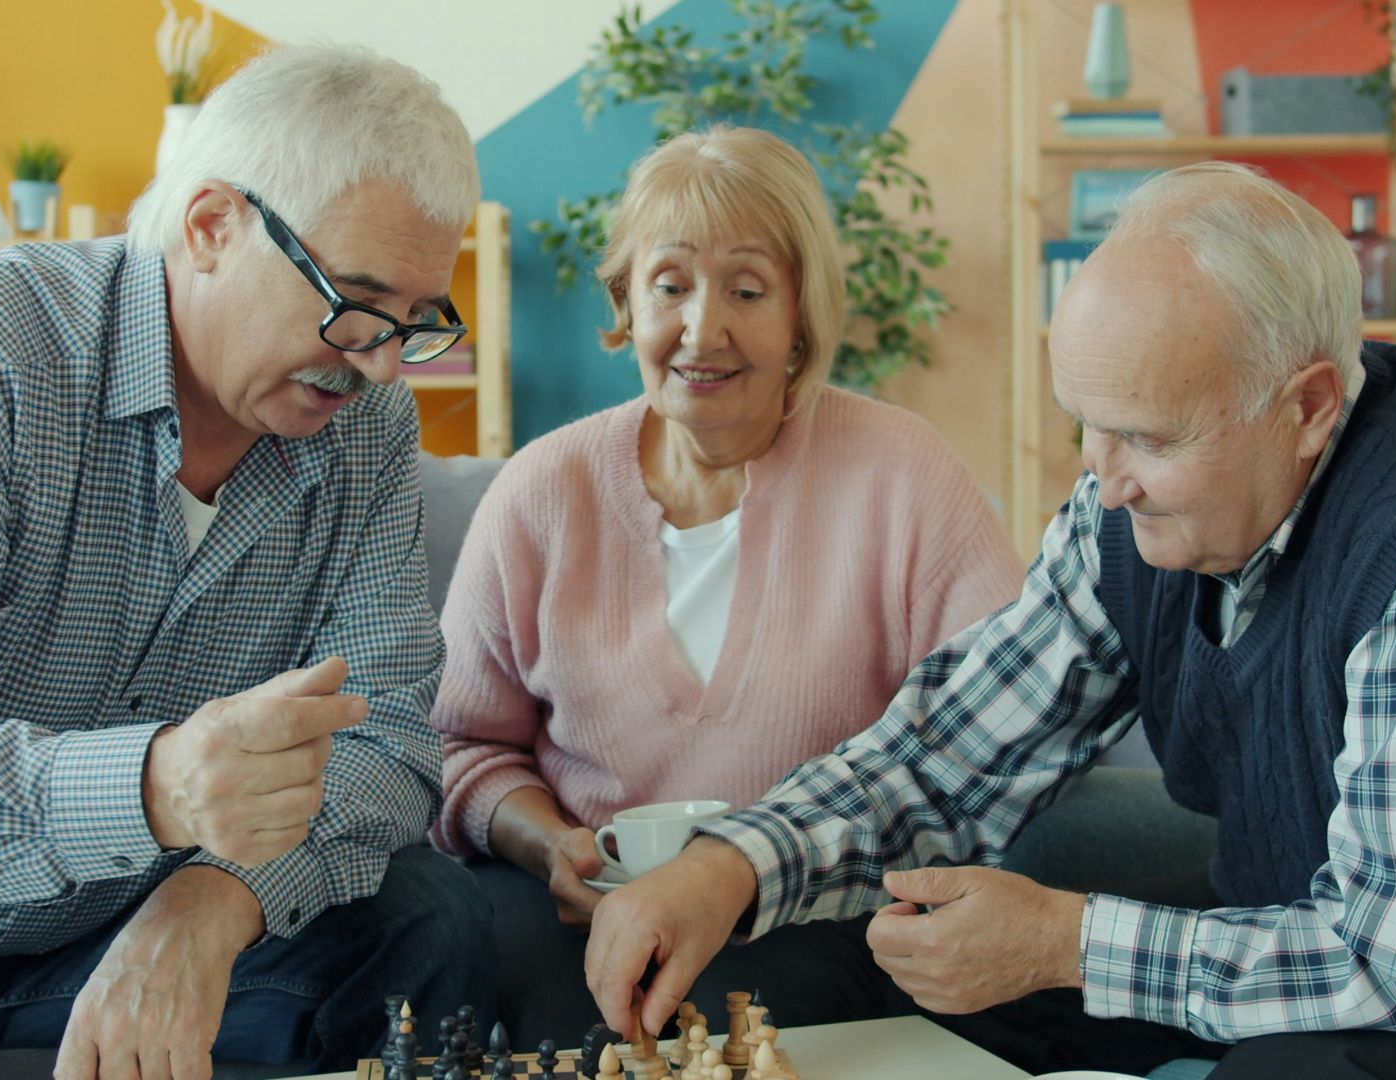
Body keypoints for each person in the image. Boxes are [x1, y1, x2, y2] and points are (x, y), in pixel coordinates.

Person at [582, 162, 1396, 1079]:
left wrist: (1068, 942)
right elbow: (951, 754)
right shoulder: (1141, 501)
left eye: (1144, 437)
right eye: (1084, 423)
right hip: (1308, 947)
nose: (1101, 478)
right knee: (880, 978)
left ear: (1308, 407)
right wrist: (728, 867)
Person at [0, 45, 493, 1079]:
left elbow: (388, 740)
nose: (382, 362)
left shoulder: (369, 427)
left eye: (414, 321)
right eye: (354, 299)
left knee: (428, 921)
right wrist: (157, 787)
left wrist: (209, 905)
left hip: (104, 929)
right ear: (213, 225)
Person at [428, 125, 1027, 1044]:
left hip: (825, 919)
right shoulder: (544, 492)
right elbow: (463, 749)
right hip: (583, 920)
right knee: (477, 971)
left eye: (747, 290)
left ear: (800, 317)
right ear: (627, 300)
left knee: (733, 1007)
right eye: (670, 287)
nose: (702, 329)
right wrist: (549, 843)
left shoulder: (903, 475)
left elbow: (998, 737)